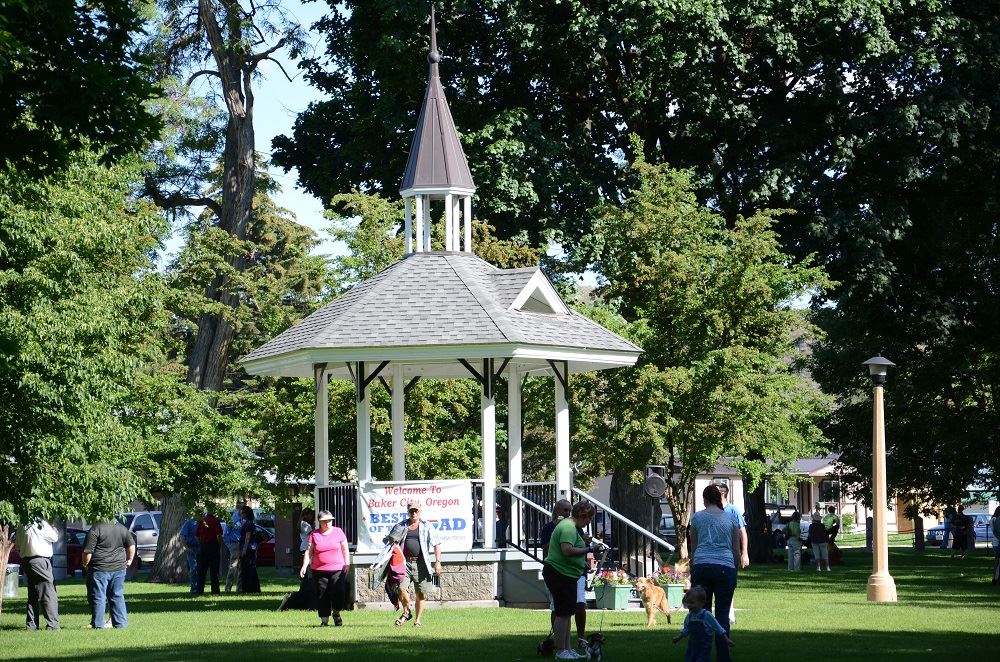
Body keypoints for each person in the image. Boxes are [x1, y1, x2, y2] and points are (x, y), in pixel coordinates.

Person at [688, 484, 740, 662]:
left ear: (705, 499)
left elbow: (693, 549)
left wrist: (693, 568)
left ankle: (700, 655)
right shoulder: (731, 519)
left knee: (701, 613)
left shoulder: (696, 518)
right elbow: (736, 550)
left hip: (702, 566)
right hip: (725, 567)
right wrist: (735, 570)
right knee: (722, 614)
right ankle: (723, 657)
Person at [542, 499, 596, 661]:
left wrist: (583, 564)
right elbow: (566, 550)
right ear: (583, 515)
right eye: (589, 519)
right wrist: (589, 549)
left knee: (567, 613)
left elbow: (570, 553)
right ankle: (561, 651)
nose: (588, 522)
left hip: (567, 574)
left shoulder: (571, 527)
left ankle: (568, 649)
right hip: (559, 574)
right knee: (562, 613)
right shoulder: (568, 527)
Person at [384, 501, 443, 628]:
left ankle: (417, 620)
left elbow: (437, 543)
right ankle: (407, 611)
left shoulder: (427, 526)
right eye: (411, 511)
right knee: (400, 588)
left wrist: (438, 562)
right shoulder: (400, 526)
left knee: (420, 594)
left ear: (420, 511)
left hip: (422, 563)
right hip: (404, 563)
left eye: (416, 511)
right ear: (408, 512)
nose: (414, 513)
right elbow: (388, 542)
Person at [298, 510, 350, 626]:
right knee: (322, 594)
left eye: (329, 520)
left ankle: (336, 613)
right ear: (319, 522)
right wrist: (304, 566)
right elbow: (309, 551)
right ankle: (324, 621)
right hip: (319, 570)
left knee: (339, 592)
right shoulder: (314, 534)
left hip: (338, 569)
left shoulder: (338, 532)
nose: (327, 523)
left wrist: (347, 563)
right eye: (324, 521)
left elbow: (345, 549)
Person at [82, 518, 135, 629]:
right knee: (117, 595)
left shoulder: (95, 529)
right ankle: (121, 623)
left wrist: (85, 565)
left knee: (98, 597)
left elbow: (87, 551)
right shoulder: (122, 528)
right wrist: (130, 560)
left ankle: (98, 624)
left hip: (99, 568)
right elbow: (131, 545)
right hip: (119, 568)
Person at [15, 517, 60, 630]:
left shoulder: (22, 524)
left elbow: (18, 546)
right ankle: (53, 626)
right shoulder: (41, 523)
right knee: (48, 593)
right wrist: (54, 527)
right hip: (40, 561)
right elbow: (54, 538)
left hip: (27, 561)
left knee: (33, 594)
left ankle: (31, 625)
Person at [672, 586, 734, 662]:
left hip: (703, 648)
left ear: (702, 602)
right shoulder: (689, 616)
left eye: (692, 603)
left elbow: (718, 628)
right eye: (687, 602)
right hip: (692, 646)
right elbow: (686, 629)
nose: (689, 605)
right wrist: (678, 637)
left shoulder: (707, 615)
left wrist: (727, 640)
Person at [279, 507, 316, 611]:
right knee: (309, 567)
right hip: (306, 547)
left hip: (305, 546)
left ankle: (307, 582)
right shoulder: (304, 524)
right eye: (311, 515)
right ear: (306, 515)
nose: (312, 517)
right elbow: (312, 534)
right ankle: (307, 583)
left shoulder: (303, 524)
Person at [195, 504, 223, 594]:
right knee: (214, 570)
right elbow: (218, 535)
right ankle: (215, 590)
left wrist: (201, 543)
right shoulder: (216, 521)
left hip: (203, 546)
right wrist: (218, 544)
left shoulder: (202, 521)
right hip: (213, 546)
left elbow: (197, 535)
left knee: (201, 569)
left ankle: (199, 590)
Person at [238, 506, 261, 593]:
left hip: (248, 549)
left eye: (243, 513)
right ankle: (252, 588)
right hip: (248, 547)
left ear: (247, 514)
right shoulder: (246, 523)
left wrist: (244, 550)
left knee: (248, 569)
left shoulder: (248, 524)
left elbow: (247, 538)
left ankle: (249, 588)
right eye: (241, 512)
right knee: (248, 569)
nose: (241, 514)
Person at [179, 514, 200, 594]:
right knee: (193, 568)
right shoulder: (189, 523)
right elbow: (182, 536)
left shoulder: (203, 523)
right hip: (192, 548)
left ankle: (199, 587)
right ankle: (194, 588)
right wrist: (186, 547)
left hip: (201, 547)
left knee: (200, 569)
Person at [223, 507, 242, 592]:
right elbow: (226, 533)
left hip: (241, 544)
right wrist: (229, 544)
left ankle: (240, 588)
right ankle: (228, 588)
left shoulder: (242, 519)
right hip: (234, 544)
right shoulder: (234, 519)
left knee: (241, 567)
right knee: (233, 566)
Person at [989, 506, 1000, 585]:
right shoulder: (996, 520)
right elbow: (996, 532)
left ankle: (994, 577)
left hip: (995, 541)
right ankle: (996, 577)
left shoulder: (992, 519)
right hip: (997, 541)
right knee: (998, 561)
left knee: (996, 561)